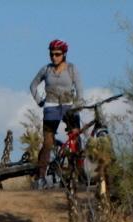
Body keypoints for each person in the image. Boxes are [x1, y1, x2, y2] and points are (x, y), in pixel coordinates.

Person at [29, 39, 84, 187]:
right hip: (51, 108)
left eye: (57, 54)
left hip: (69, 107)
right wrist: (40, 101)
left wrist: (77, 105)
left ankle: (79, 174)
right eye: (51, 54)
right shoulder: (46, 69)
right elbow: (33, 85)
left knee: (76, 139)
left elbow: (79, 89)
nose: (54, 57)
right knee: (47, 143)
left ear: (64, 54)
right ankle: (40, 177)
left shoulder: (72, 69)